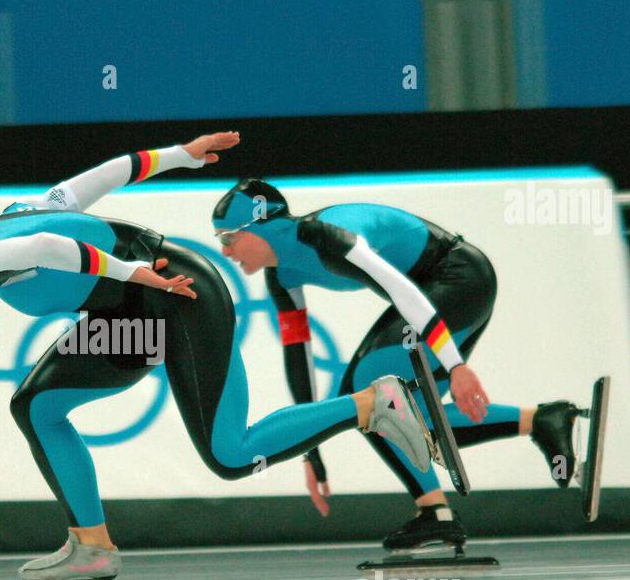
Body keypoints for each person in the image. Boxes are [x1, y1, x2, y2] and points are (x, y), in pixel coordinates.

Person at [0, 132, 439, 580]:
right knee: (36, 407)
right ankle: (92, 547)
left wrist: (139, 275)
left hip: (179, 296)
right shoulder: (21, 212)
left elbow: (57, 251)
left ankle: (372, 403)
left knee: (230, 455)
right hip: (130, 313)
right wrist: (184, 152)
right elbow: (106, 174)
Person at [211, 177, 579, 552]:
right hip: (439, 289)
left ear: (263, 225)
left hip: (457, 277)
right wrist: (311, 449)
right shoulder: (282, 276)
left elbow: (402, 291)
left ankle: (435, 511)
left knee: (367, 395)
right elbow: (299, 354)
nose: (224, 251)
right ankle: (542, 420)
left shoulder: (325, 236)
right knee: (406, 416)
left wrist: (455, 366)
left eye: (228, 238)